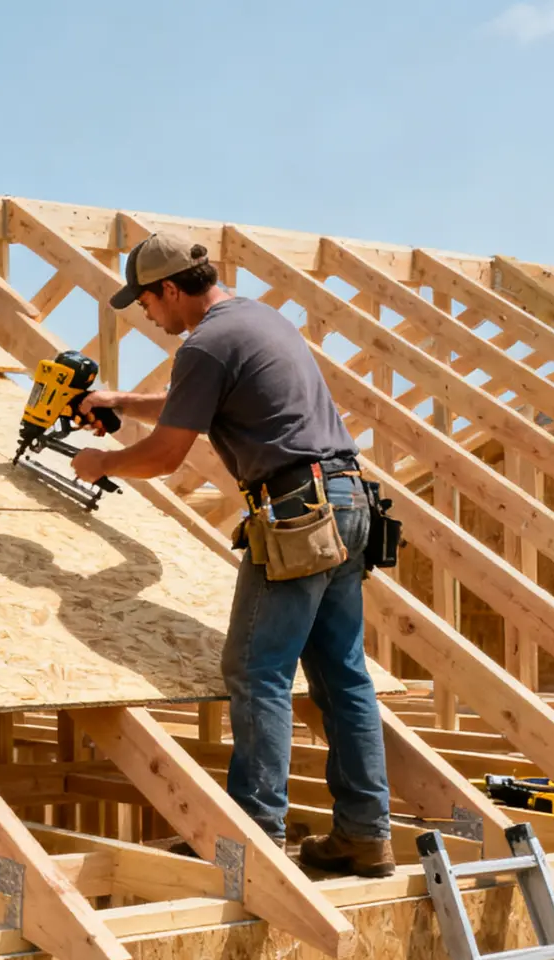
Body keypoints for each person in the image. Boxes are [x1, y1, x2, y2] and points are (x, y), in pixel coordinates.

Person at [70, 232, 394, 877]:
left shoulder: (205, 344)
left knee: (256, 669)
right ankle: (364, 835)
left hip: (297, 510)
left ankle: (252, 838)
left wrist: (103, 462)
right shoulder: (257, 319)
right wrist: (121, 402)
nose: (147, 315)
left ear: (170, 289)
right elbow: (193, 406)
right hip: (348, 500)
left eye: (146, 302)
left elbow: (166, 455)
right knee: (342, 674)